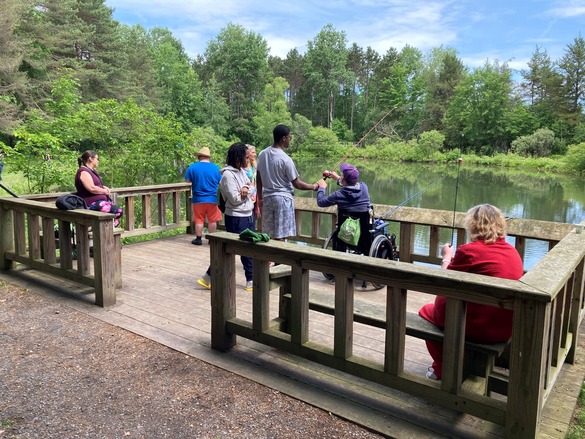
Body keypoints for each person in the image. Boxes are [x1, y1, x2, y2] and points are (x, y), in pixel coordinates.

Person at [418, 204, 523, 381]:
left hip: (478, 327)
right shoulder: (513, 253)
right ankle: (464, 364)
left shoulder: (469, 251)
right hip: (503, 328)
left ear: (473, 225)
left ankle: (441, 368)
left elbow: (442, 283)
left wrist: (446, 257)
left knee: (427, 313)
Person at [198, 143, 256, 291]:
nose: (248, 159)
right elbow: (235, 199)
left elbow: (252, 185)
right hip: (237, 217)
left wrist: (247, 188)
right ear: (238, 158)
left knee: (242, 248)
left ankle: (209, 277)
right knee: (239, 248)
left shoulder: (241, 171)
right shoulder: (227, 175)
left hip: (247, 215)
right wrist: (247, 190)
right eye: (246, 156)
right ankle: (250, 280)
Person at [256, 124, 319, 241]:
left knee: (268, 235)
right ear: (284, 138)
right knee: (281, 235)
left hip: (268, 198)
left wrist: (259, 197)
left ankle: (268, 259)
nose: (290, 139)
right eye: (289, 137)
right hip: (283, 200)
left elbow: (258, 178)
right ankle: (279, 259)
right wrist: (314, 186)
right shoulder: (285, 159)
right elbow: (297, 184)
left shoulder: (262, 154)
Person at [184, 146, 222, 245]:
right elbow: (221, 181)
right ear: (208, 157)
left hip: (198, 198)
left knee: (199, 219)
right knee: (212, 220)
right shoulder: (216, 168)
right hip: (212, 198)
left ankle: (198, 238)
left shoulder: (192, 167)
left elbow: (187, 180)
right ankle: (212, 239)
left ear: (199, 156)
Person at [75, 150, 123, 227]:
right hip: (89, 203)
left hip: (98, 201)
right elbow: (91, 188)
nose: (98, 161)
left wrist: (103, 187)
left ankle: (106, 230)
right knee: (118, 211)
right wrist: (104, 191)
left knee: (115, 218)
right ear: (91, 159)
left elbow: (95, 185)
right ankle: (102, 230)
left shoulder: (91, 171)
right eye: (97, 159)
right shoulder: (83, 171)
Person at [245, 144, 260, 219]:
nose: (255, 154)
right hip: (247, 196)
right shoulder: (243, 168)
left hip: (255, 196)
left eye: (255, 152)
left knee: (253, 218)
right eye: (253, 152)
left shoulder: (254, 166)